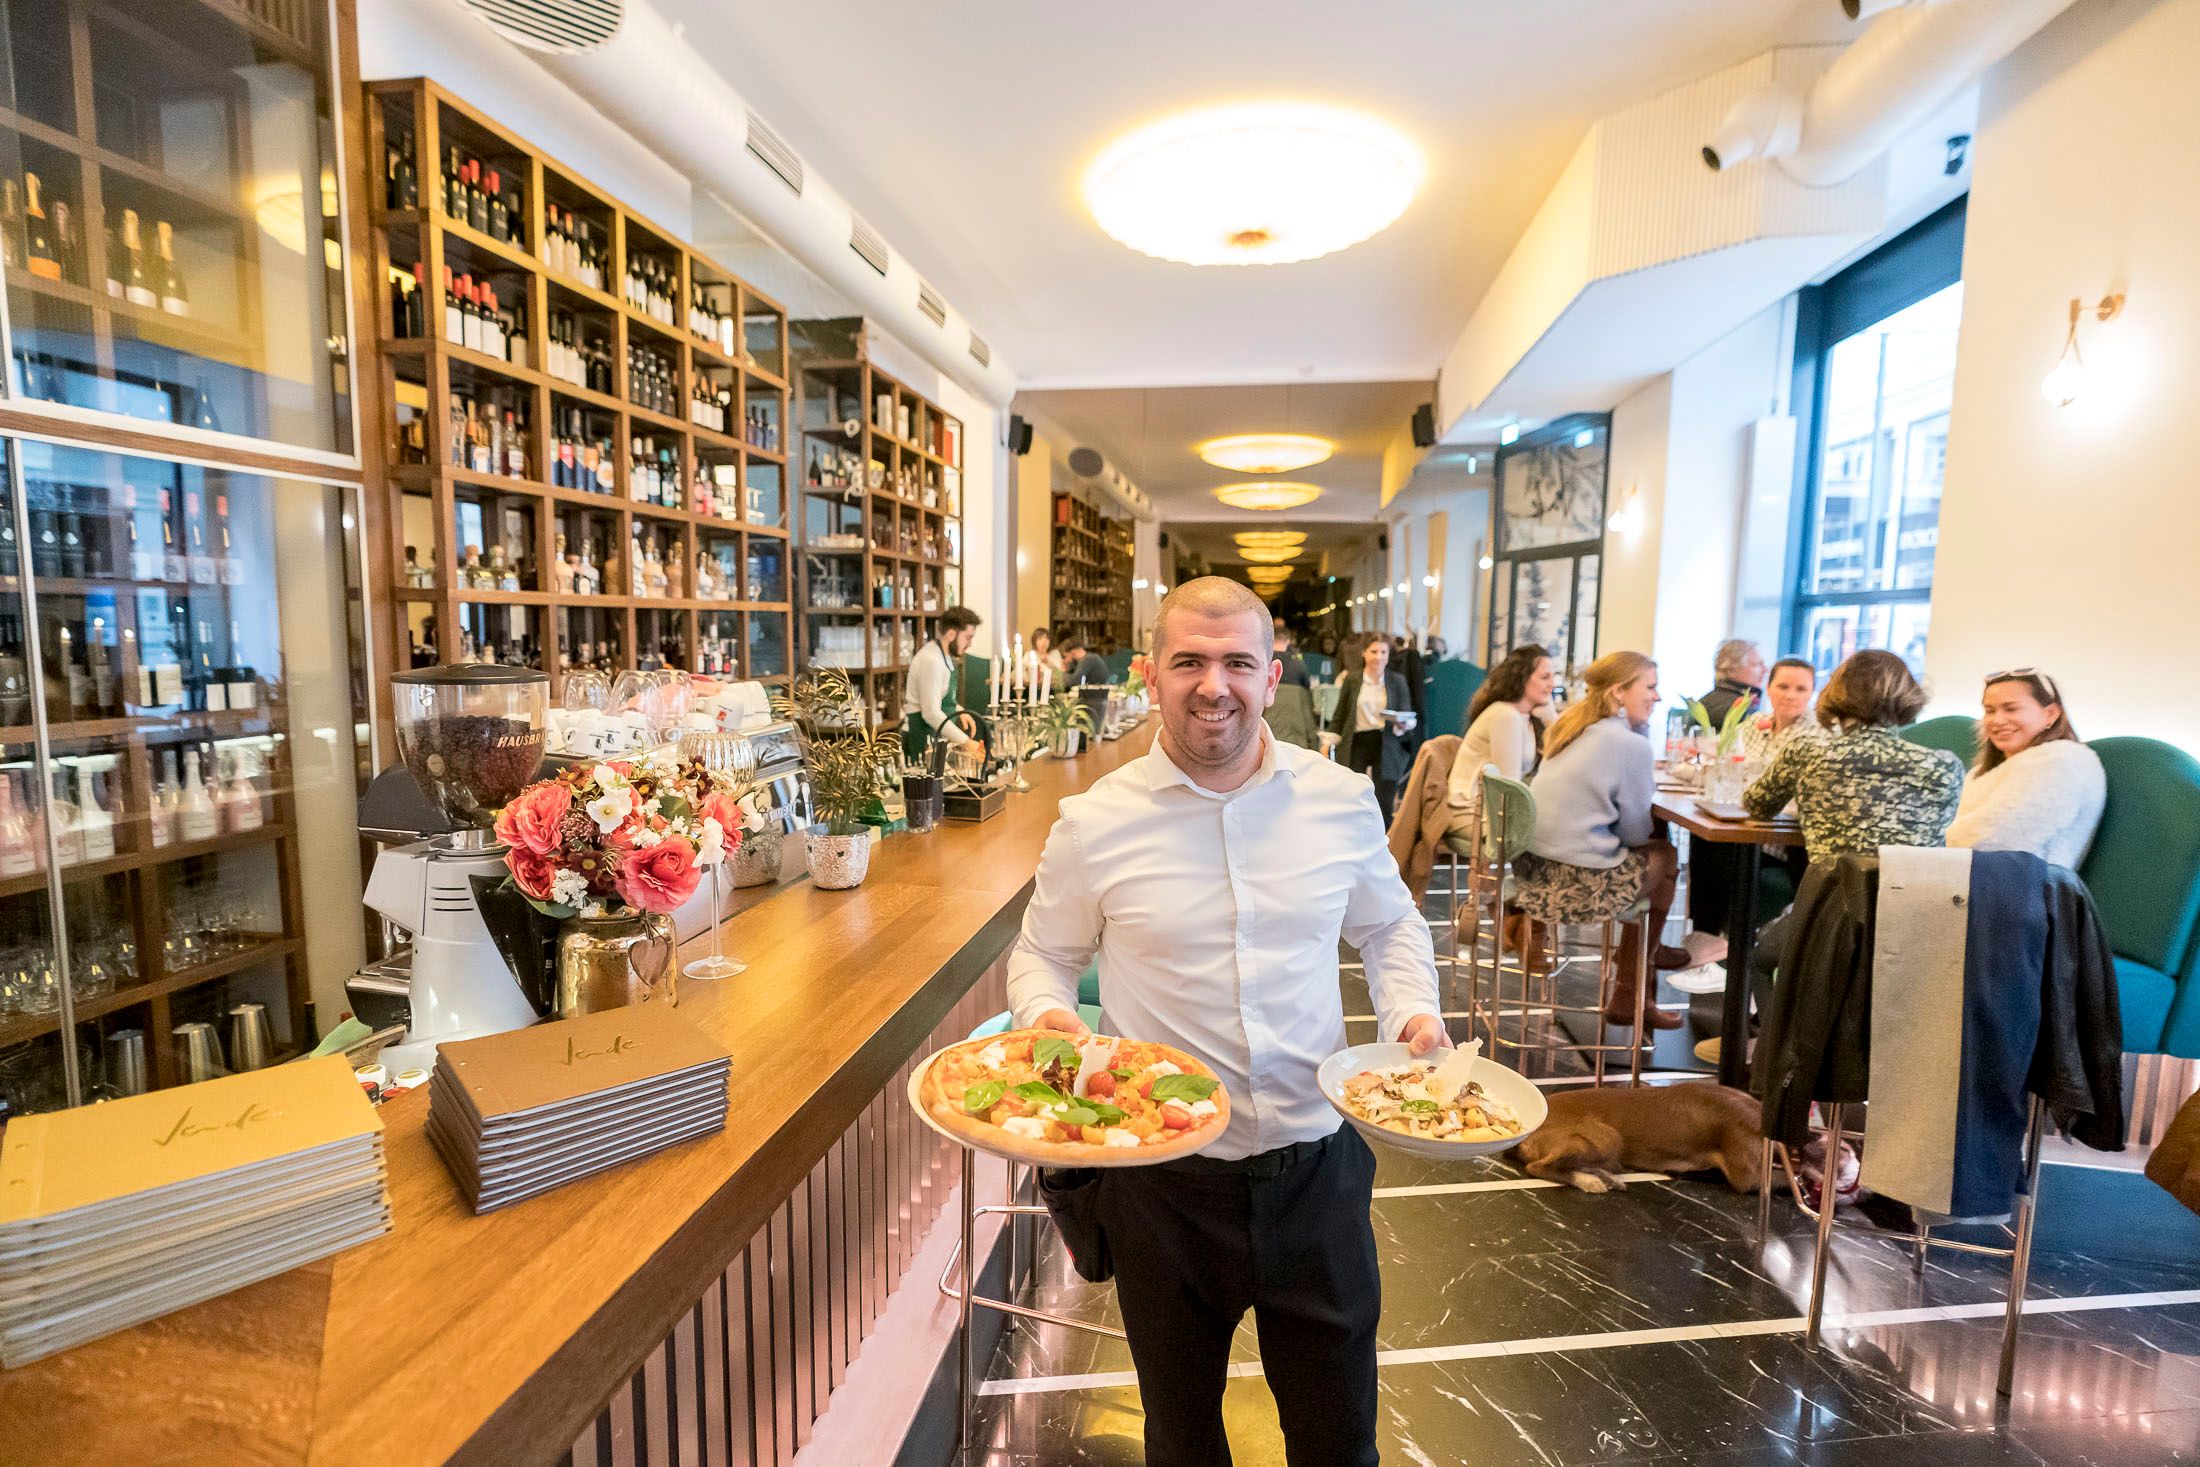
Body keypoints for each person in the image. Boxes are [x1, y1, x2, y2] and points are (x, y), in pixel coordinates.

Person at [1007, 576, 1445, 1467]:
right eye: (1189, 662)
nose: (1215, 684)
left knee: (1338, 1438)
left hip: (1317, 1170)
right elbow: (1042, 955)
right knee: (1180, 1439)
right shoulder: (1094, 821)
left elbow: (1388, 922)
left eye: (1237, 661)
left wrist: (1412, 1010)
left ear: (1271, 673)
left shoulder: (1339, 797)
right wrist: (1054, 1020)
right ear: (1149, 675)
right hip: (1165, 1187)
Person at [1739, 648, 1964, 996]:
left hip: (1831, 914)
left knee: (1757, 960)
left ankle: (1768, 1048)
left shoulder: (1808, 751)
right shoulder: (1944, 766)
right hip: (1914, 919)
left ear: (1834, 693)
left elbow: (1756, 803)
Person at [1514, 651, 1684, 1029]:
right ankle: (1637, 981)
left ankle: (1639, 978)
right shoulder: (1629, 744)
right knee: (1666, 856)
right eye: (1650, 687)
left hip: (1535, 875)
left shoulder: (1576, 729)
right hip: (1578, 884)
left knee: (1657, 866)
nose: (1657, 697)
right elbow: (1636, 833)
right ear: (1619, 693)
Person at [1947, 668, 2105, 870]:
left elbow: (1995, 840)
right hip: (1969, 882)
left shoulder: (2064, 761)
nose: (1997, 720)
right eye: (1990, 710)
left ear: (2050, 714)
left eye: (2011, 709)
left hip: (2025, 893)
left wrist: (1923, 849)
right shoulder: (1980, 773)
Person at [1445, 643, 1551, 837]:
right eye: (1545, 677)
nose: (1552, 684)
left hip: (1490, 809)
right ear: (1522, 678)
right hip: (1472, 812)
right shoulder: (1506, 716)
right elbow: (1508, 783)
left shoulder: (1525, 717)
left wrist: (1551, 719)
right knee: (1553, 833)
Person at [1326, 635, 1414, 821]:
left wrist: (1403, 724)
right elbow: (1340, 714)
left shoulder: (1397, 681)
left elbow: (1407, 714)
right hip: (1358, 740)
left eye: (1383, 652)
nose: (1379, 657)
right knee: (1352, 794)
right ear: (1364, 653)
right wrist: (1327, 742)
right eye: (1374, 651)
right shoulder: (1352, 679)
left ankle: (1385, 840)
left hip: (1387, 740)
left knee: (1384, 800)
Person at [901, 605, 981, 761]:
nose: (970, 644)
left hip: (934, 737)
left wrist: (959, 709)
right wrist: (966, 742)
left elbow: (941, 695)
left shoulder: (944, 656)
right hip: (921, 737)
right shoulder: (932, 660)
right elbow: (931, 712)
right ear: (951, 634)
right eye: (968, 637)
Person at [1700, 638, 1767, 728]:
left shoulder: (1708, 700)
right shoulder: (1736, 710)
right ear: (1732, 669)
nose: (1765, 670)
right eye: (1757, 664)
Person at [1273, 624, 1311, 689]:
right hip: (1292, 698)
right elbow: (1307, 685)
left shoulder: (1262, 662)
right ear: (1288, 641)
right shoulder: (1298, 663)